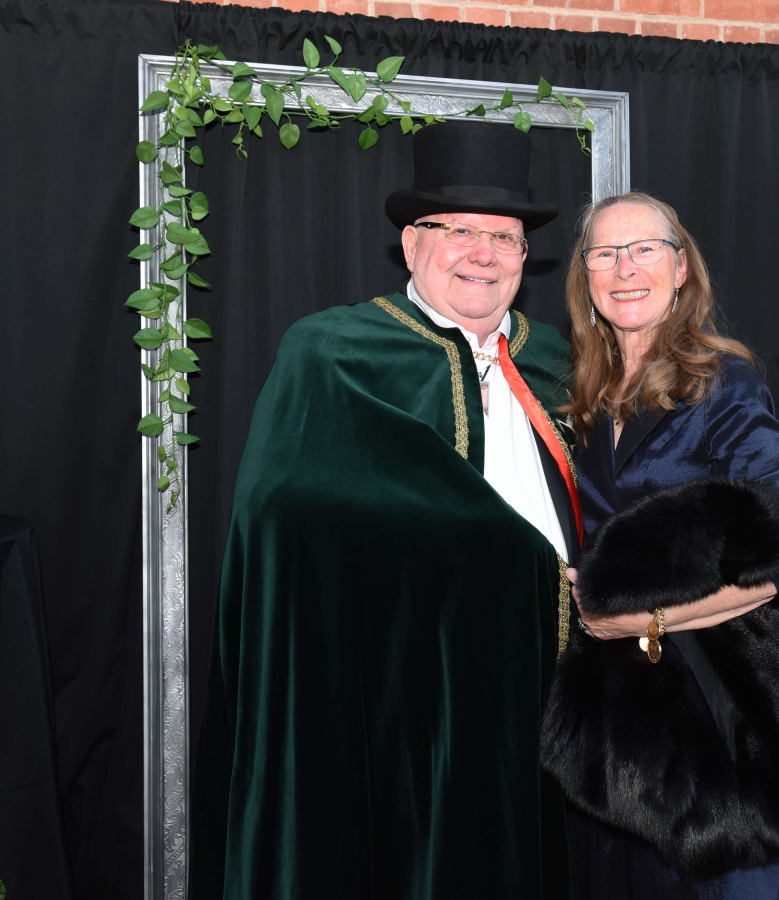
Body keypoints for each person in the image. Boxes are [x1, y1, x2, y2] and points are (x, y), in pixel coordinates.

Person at [190, 121, 583, 900]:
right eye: (459, 231)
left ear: (524, 256)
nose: (483, 254)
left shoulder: (561, 360)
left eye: (504, 237)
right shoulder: (332, 352)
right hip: (394, 693)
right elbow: (278, 518)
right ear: (412, 244)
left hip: (548, 694)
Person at [540, 191, 779, 900]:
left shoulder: (725, 384)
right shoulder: (578, 393)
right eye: (605, 254)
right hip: (618, 712)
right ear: (586, 277)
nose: (625, 268)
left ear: (681, 269)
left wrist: (645, 620)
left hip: (719, 702)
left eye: (644, 249)